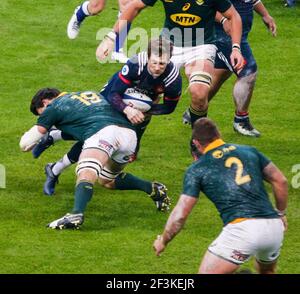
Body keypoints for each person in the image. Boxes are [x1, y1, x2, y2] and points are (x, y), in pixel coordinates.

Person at [96, 0, 244, 128]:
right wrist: (111, 37)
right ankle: (130, 137)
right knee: (146, 91)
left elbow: (234, 16)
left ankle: (197, 138)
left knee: (199, 93)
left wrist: (236, 48)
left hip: (202, 45)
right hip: (168, 45)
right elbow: (134, 7)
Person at [31, 37, 182, 195]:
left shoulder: (173, 79)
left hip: (139, 111)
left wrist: (145, 111)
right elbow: (113, 94)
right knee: (93, 137)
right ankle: (54, 167)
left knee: (111, 144)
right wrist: (127, 109)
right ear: (147, 55)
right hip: (111, 98)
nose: (157, 67)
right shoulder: (135, 64)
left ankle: (54, 141)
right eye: (154, 62)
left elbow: (168, 107)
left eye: (162, 63)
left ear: (169, 60)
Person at [20, 88, 171, 229]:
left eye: (41, 113)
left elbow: (25, 143)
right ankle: (154, 189)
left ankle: (75, 214)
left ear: (45, 102)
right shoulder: (90, 95)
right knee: (107, 180)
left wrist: (30, 142)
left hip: (104, 134)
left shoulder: (55, 106)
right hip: (129, 136)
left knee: (86, 171)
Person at [153, 118, 288, 274]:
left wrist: (163, 240)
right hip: (273, 227)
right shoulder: (249, 151)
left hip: (242, 230)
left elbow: (180, 215)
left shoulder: (197, 168)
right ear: (218, 135)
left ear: (196, 143)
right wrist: (281, 213)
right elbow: (281, 181)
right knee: (267, 271)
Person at [183, 0, 276, 137]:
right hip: (220, 33)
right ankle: (240, 120)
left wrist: (265, 14)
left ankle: (194, 111)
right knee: (248, 70)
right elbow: (202, 2)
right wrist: (224, 18)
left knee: (221, 73)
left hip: (238, 31)